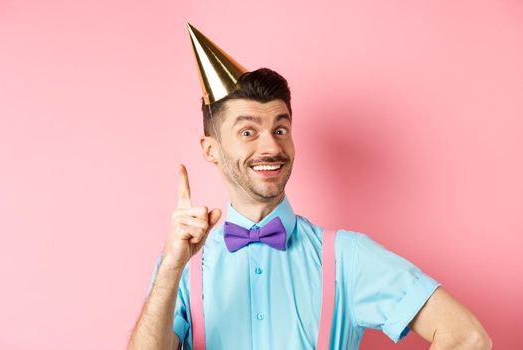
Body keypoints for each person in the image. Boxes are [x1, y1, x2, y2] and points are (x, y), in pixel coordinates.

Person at [127, 23, 492, 350]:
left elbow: (467, 336)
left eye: (280, 129)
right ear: (211, 150)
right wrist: (172, 267)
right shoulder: (183, 268)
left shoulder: (347, 257)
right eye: (248, 132)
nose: (271, 147)